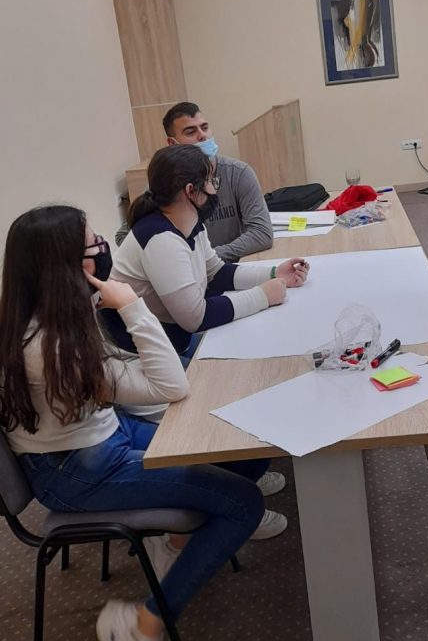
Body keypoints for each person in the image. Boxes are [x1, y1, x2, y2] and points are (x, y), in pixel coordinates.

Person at [0, 205, 270, 641]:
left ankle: (172, 544)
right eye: (95, 245)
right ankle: (143, 626)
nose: (105, 249)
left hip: (100, 435)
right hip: (78, 471)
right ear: (66, 266)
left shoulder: (46, 314)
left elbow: (131, 382)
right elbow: (169, 386)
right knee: (243, 502)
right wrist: (132, 305)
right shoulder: (49, 346)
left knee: (235, 445)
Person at [104, 143, 309, 511]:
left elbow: (215, 273)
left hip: (170, 339)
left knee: (245, 378)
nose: (216, 188)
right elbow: (195, 316)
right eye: (212, 182)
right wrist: (264, 296)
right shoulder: (160, 239)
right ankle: (234, 491)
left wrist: (272, 273)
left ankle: (243, 473)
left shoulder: (187, 223)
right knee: (223, 405)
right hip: (141, 356)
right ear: (191, 191)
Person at [163, 101, 274, 261]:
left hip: (228, 266)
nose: (202, 135)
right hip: (187, 271)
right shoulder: (163, 184)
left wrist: (209, 259)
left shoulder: (239, 173)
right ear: (172, 144)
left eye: (205, 127)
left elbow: (262, 233)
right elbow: (138, 238)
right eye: (190, 132)